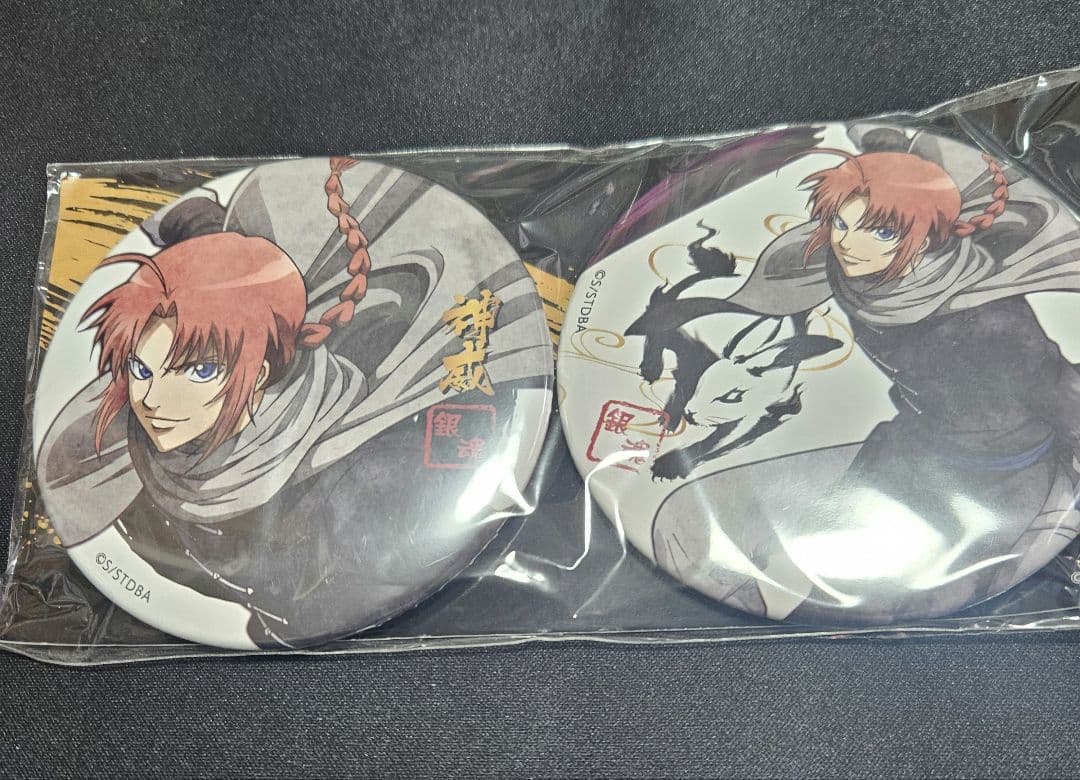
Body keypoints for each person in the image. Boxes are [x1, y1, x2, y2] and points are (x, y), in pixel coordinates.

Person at [36, 157, 552, 646]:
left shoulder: (355, 471)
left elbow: (350, 590)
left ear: (259, 373)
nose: (152, 400)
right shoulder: (118, 469)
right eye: (141, 370)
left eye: (200, 371)